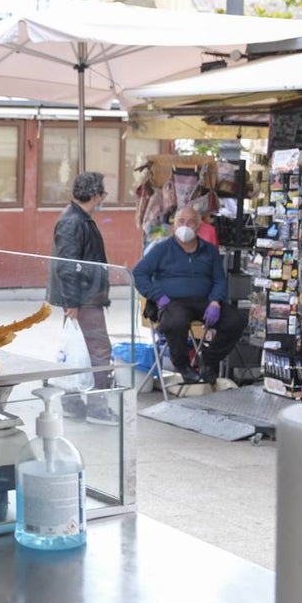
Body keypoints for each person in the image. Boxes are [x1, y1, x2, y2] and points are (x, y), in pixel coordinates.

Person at [132, 205, 247, 385]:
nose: (186, 226)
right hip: (173, 303)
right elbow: (138, 274)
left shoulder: (209, 251)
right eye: (181, 222)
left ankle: (208, 361)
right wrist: (158, 297)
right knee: (175, 321)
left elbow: (219, 279)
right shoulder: (161, 249)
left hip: (205, 302)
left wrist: (216, 302)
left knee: (236, 320)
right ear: (174, 226)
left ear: (199, 226)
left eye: (191, 222)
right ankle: (183, 366)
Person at [47, 171, 117, 426]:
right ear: (96, 194)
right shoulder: (73, 222)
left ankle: (73, 403)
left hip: (83, 297)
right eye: (103, 195)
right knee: (98, 351)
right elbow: (67, 265)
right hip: (84, 299)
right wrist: (73, 303)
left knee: (82, 351)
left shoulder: (78, 219)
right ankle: (98, 408)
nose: (102, 200)